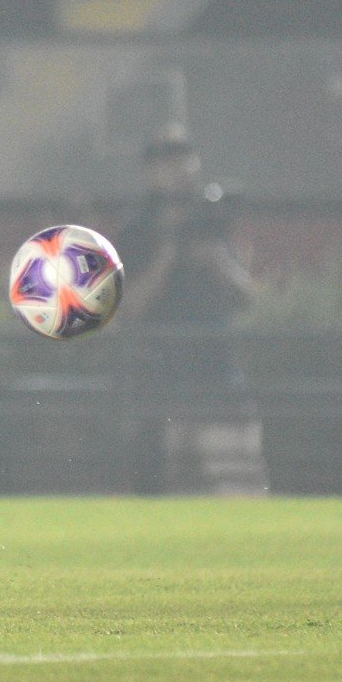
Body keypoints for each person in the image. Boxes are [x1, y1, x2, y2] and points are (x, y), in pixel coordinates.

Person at [113, 125, 264, 494]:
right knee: (168, 491)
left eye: (183, 161)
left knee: (239, 485)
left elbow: (246, 296)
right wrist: (166, 254)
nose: (178, 171)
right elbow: (128, 307)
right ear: (149, 171)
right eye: (166, 162)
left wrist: (212, 260)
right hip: (159, 379)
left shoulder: (209, 222)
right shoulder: (136, 230)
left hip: (217, 373)